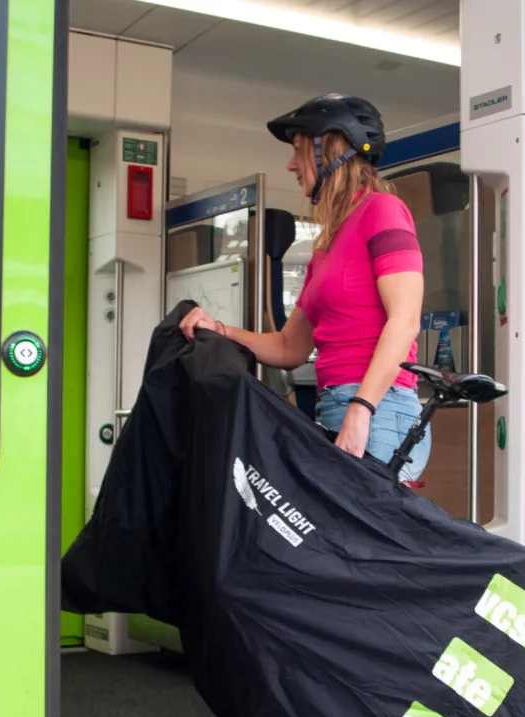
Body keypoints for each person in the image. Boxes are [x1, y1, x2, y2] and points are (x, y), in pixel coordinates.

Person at [178, 93, 431, 481]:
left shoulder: (382, 210)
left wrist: (361, 409)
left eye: (299, 151)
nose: (291, 165)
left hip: (379, 410)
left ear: (331, 148)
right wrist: (221, 331)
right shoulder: (327, 244)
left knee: (355, 541)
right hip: (338, 405)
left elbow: (405, 320)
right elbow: (289, 347)